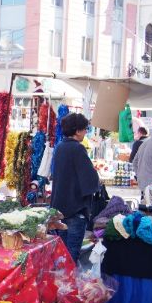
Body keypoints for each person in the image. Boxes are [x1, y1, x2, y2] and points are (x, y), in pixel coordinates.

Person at [50, 113, 99, 264]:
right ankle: (68, 286)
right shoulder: (77, 148)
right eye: (85, 129)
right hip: (75, 209)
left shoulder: (60, 147)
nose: (86, 132)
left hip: (59, 208)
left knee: (61, 255)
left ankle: (60, 286)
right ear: (77, 131)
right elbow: (90, 179)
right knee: (71, 256)